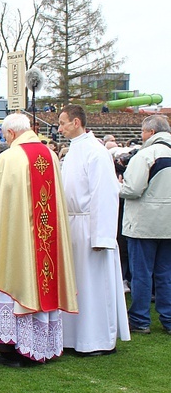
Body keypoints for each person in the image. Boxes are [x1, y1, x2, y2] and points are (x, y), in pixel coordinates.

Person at [0, 113, 77, 367]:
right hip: (47, 237)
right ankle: (40, 345)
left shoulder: (9, 158)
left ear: (10, 133)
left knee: (16, 283)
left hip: (18, 241)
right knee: (43, 280)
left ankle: (14, 350)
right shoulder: (51, 155)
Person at [58, 105, 130, 354]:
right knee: (76, 284)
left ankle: (96, 339)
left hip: (90, 227)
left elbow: (105, 195)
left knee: (93, 285)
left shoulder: (96, 153)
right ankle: (73, 337)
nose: (59, 128)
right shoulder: (73, 152)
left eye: (63, 123)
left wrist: (101, 236)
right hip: (73, 225)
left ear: (76, 122)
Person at [119, 115, 171, 334]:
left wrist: (118, 186)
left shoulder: (147, 154)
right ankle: (168, 318)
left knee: (141, 273)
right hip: (167, 223)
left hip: (144, 222)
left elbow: (132, 189)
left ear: (150, 132)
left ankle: (140, 319)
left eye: (142, 132)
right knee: (165, 272)